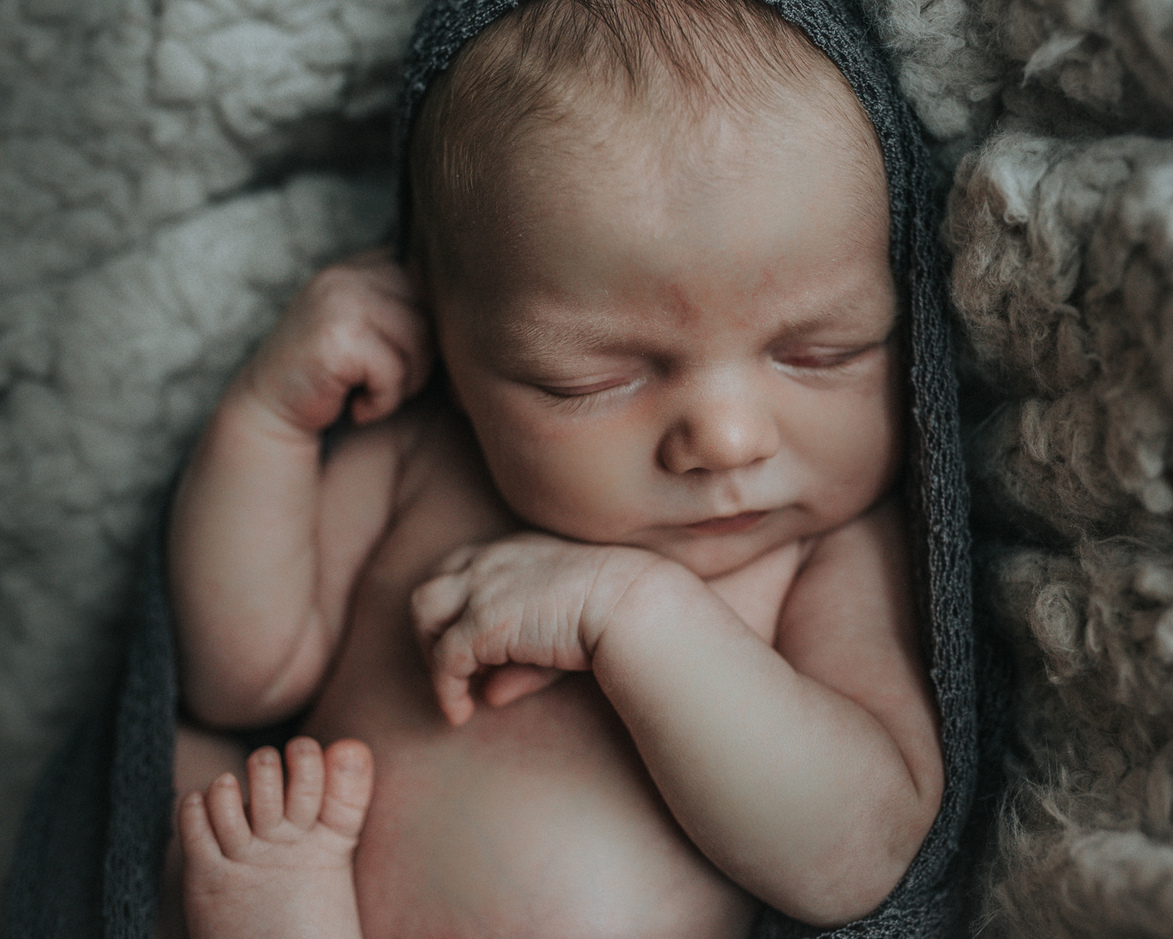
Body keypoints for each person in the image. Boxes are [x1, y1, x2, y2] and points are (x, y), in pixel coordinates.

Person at [158, 1, 948, 936]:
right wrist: (271, 421)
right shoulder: (424, 462)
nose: (729, 440)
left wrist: (631, 610)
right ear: (449, 348)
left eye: (822, 352)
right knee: (197, 788)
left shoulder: (825, 550)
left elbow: (856, 853)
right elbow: (238, 676)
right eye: (589, 381)